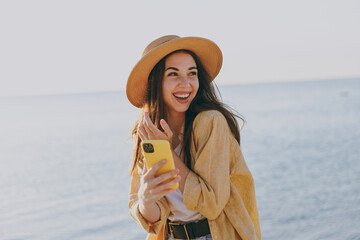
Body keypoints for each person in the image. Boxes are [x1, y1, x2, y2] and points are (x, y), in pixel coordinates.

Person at [127, 35, 261, 240]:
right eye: (173, 74)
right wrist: (146, 199)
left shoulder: (210, 122)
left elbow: (212, 204)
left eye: (192, 73)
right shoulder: (146, 132)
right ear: (156, 82)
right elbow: (154, 219)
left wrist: (168, 153)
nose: (186, 83)